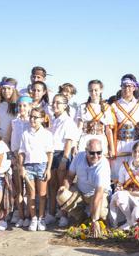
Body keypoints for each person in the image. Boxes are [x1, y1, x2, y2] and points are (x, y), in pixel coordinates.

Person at [59, 138, 111, 233]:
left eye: (99, 152)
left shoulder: (103, 165)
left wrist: (94, 219)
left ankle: (96, 221)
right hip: (80, 191)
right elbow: (69, 176)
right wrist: (64, 188)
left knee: (100, 213)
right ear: (86, 151)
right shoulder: (79, 157)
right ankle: (81, 218)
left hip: (97, 194)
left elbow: (98, 194)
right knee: (61, 196)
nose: (96, 156)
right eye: (92, 153)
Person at [47, 94, 80, 227]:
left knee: (63, 187)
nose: (55, 105)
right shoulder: (53, 120)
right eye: (53, 103)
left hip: (61, 154)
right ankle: (51, 213)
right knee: (52, 185)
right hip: (51, 154)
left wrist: (64, 160)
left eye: (58, 103)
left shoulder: (68, 121)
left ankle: (64, 215)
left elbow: (69, 141)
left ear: (65, 106)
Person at [19, 107, 53, 231]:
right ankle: (33, 218)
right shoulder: (25, 133)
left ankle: (41, 218)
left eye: (35, 117)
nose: (32, 119)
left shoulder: (47, 134)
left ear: (42, 119)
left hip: (42, 166)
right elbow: (21, 152)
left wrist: (48, 169)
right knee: (31, 193)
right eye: (31, 117)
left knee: (42, 194)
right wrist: (21, 167)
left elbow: (49, 153)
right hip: (28, 166)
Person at [110, 142, 139, 229]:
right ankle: (127, 219)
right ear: (132, 152)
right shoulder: (124, 166)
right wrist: (117, 194)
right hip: (127, 197)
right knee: (119, 195)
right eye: (135, 151)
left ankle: (129, 223)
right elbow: (120, 186)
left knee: (137, 216)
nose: (136, 154)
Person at [109, 75, 139, 179]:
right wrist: (111, 148)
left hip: (136, 143)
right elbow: (110, 129)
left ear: (134, 88)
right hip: (120, 144)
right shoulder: (114, 106)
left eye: (129, 86)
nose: (127, 89)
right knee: (118, 175)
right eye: (124, 86)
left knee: (136, 175)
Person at [9, 95, 33, 227]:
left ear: (30, 107)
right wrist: (11, 156)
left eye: (24, 105)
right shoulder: (14, 122)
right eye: (20, 105)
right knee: (19, 189)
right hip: (17, 157)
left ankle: (29, 215)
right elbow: (8, 138)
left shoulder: (32, 122)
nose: (21, 108)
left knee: (29, 189)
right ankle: (21, 215)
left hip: (30, 158)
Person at [76, 80, 114, 154]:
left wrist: (111, 149)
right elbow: (79, 128)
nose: (93, 93)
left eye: (96, 90)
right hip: (85, 140)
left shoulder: (106, 107)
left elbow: (108, 131)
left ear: (101, 90)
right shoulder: (82, 107)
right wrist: (75, 145)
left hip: (100, 140)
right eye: (91, 90)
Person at [0, 78, 19, 145]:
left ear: (14, 90)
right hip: (0, 139)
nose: (6, 91)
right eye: (3, 88)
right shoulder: (0, 104)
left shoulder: (19, 104)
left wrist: (6, 139)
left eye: (9, 88)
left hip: (14, 140)